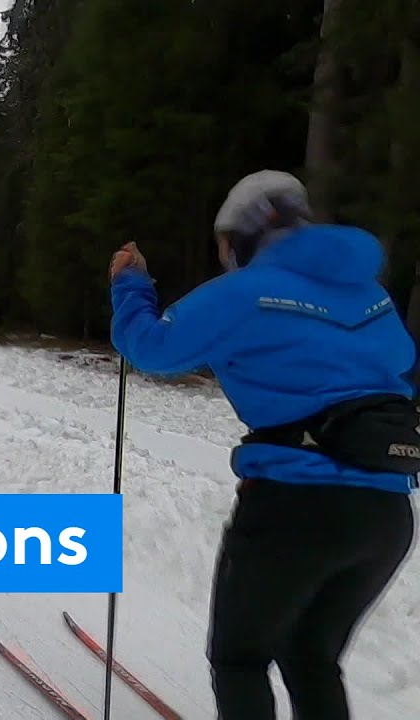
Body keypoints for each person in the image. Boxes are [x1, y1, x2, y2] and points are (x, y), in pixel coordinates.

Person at [108, 170, 418, 720]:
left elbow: (152, 348)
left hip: (294, 506)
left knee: (240, 658)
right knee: (311, 654)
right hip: (386, 514)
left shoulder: (247, 292)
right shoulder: (373, 296)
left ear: (245, 236)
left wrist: (131, 285)